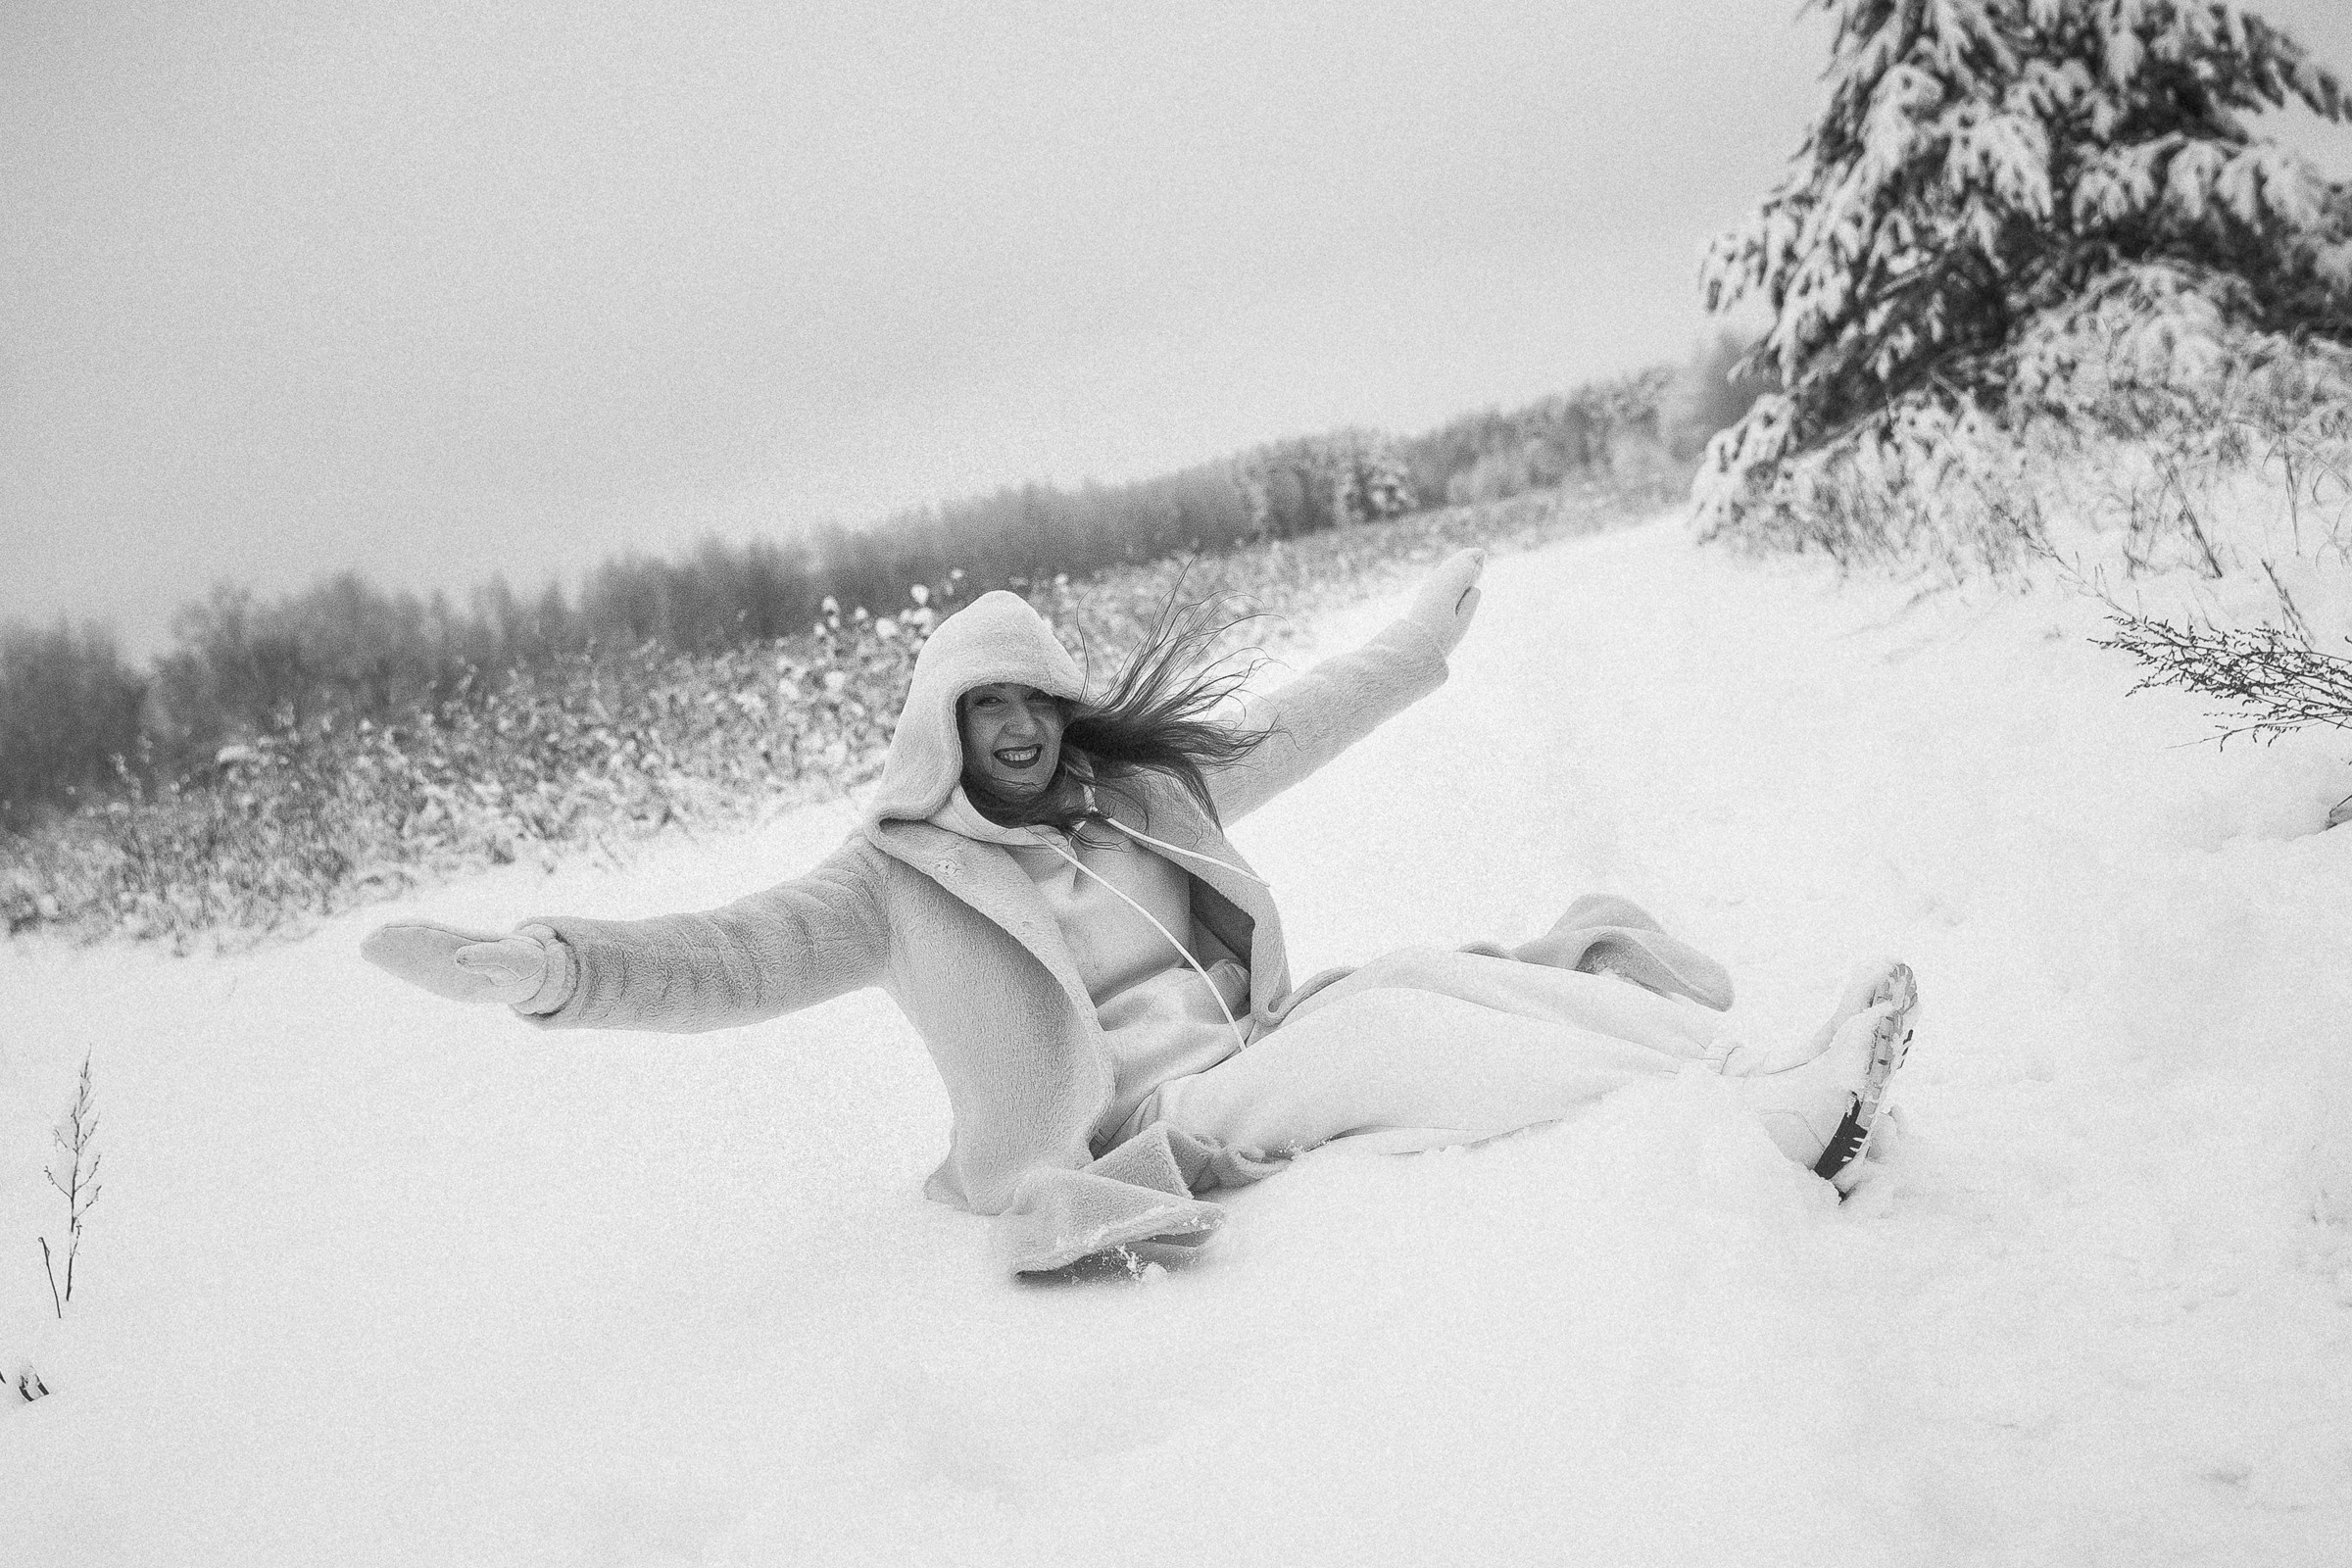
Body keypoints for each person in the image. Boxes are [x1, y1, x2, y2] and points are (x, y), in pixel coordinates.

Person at [364, 551, 1918, 1274]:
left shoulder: (1134, 796)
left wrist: (1419, 644)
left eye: (1038, 701)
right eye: (990, 714)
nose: (1022, 732)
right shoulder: (894, 880)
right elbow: (731, 958)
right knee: (1389, 1029)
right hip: (1138, 1123)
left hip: (1253, 1044)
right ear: (944, 732)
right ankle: (1761, 1137)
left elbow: (1294, 721)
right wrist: (555, 971)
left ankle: (1744, 1079)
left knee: (1446, 969)